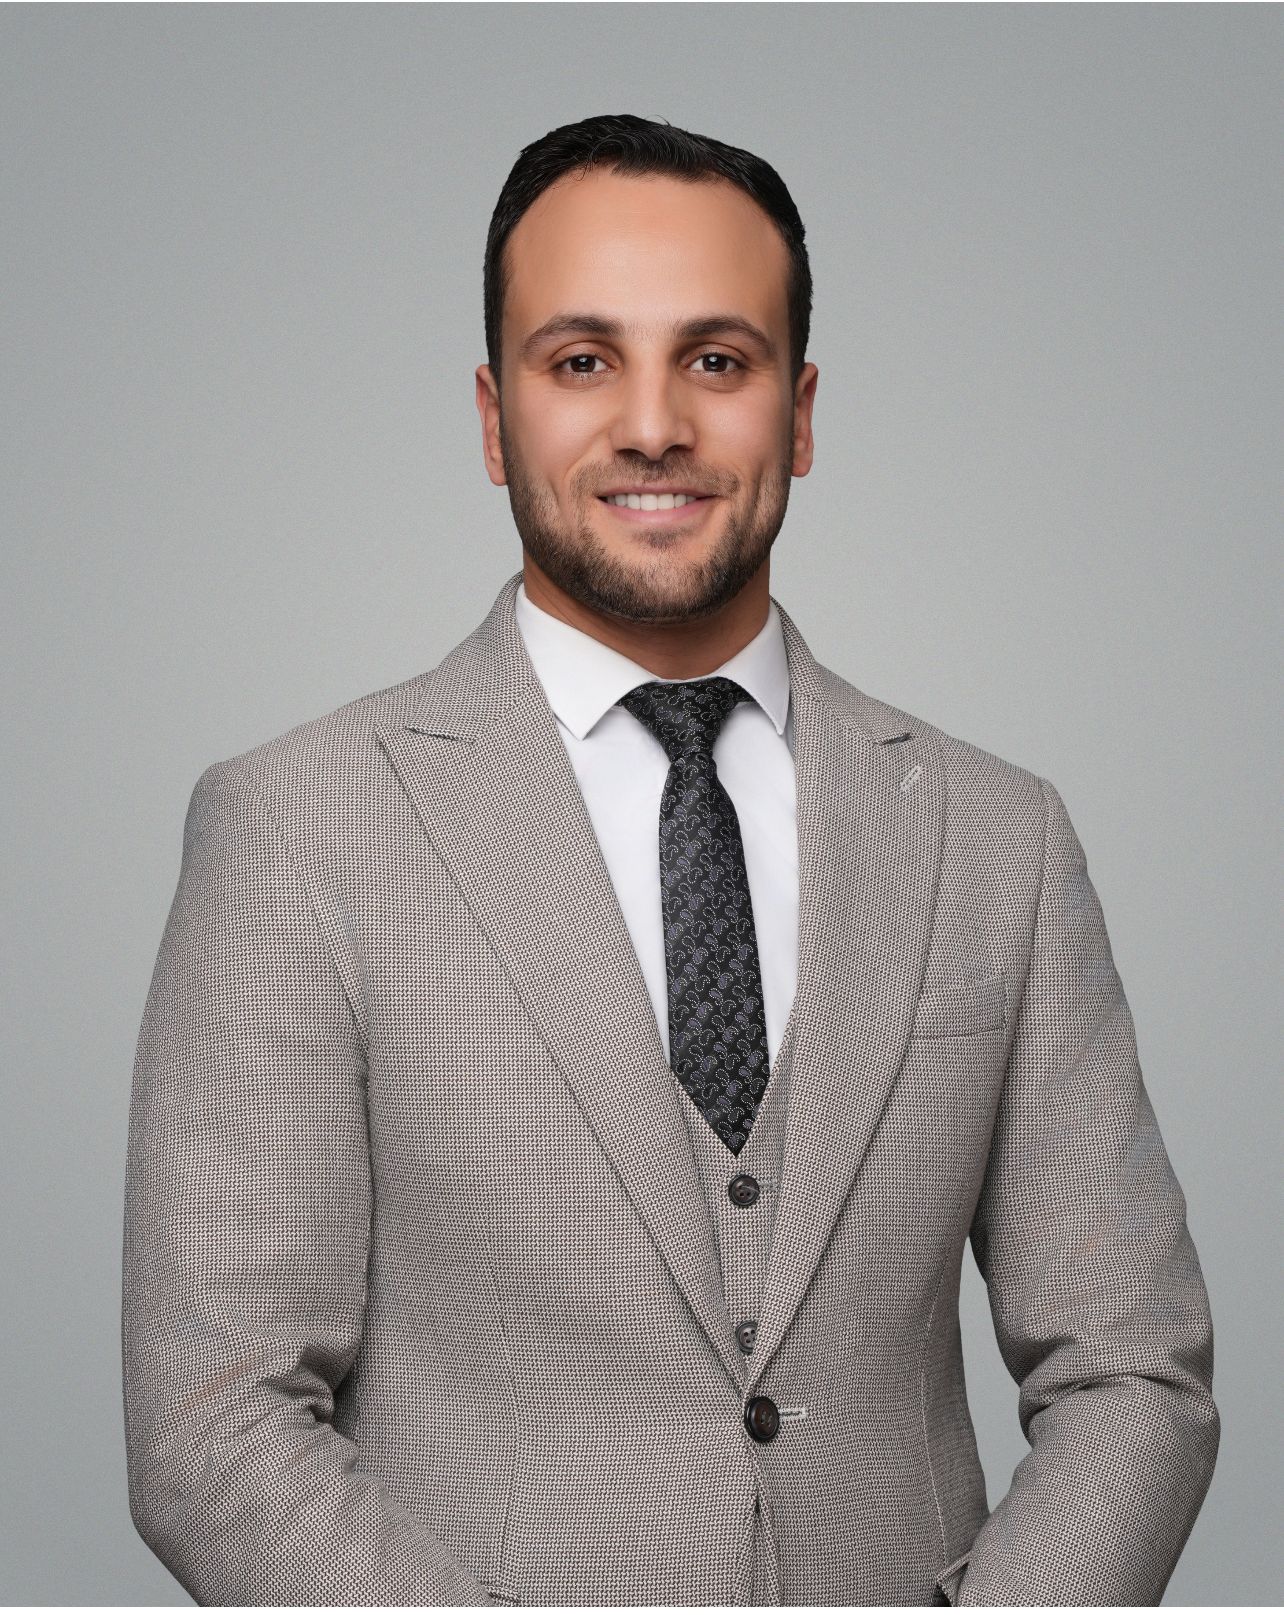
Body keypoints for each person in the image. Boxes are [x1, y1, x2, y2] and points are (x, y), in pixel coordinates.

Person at [122, 113, 1219, 1607]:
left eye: (717, 359)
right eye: (583, 361)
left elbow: (1133, 1373)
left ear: (801, 413)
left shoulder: (996, 835)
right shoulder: (300, 826)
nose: (654, 425)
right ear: (495, 418)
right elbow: (213, 1428)